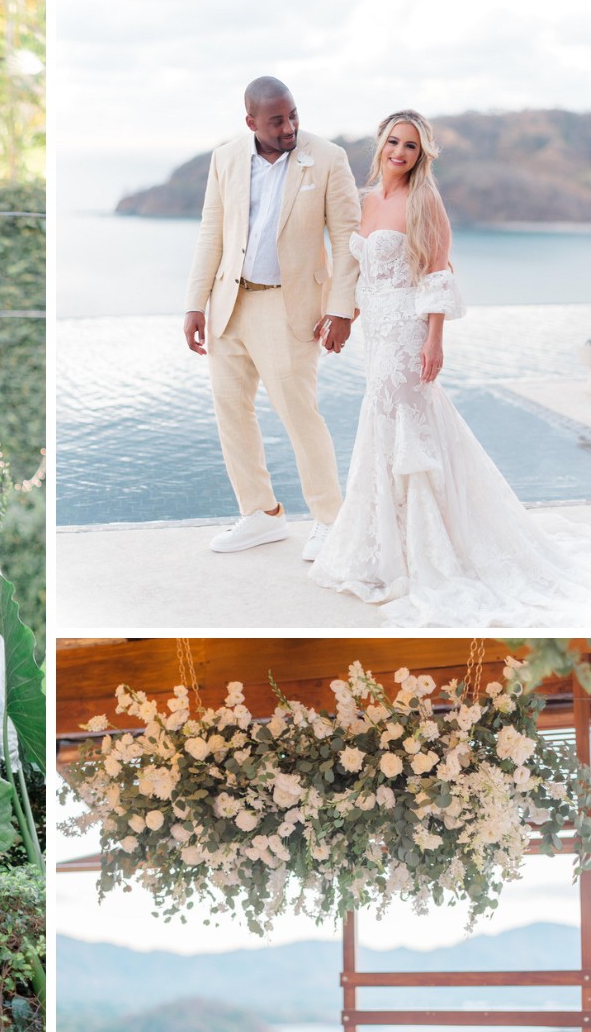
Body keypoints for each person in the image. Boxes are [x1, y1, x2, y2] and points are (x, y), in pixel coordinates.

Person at [309, 110, 591, 624]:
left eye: (411, 146)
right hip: (376, 331)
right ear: (380, 144)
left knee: (404, 428)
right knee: (384, 425)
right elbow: (365, 272)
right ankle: (386, 544)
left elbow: (436, 271)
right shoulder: (369, 200)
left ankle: (428, 552)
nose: (399, 151)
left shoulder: (424, 200)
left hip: (408, 333)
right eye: (394, 141)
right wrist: (341, 314)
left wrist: (435, 339)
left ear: (422, 155)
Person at [183, 76, 360, 560]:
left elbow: (347, 239)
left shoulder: (327, 158)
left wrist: (341, 309)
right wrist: (195, 303)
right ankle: (261, 515)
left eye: (293, 115)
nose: (290, 127)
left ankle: (329, 519)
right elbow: (211, 234)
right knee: (231, 411)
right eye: (277, 120)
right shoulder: (226, 158)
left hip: (290, 307)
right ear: (251, 122)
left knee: (300, 413)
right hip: (229, 306)